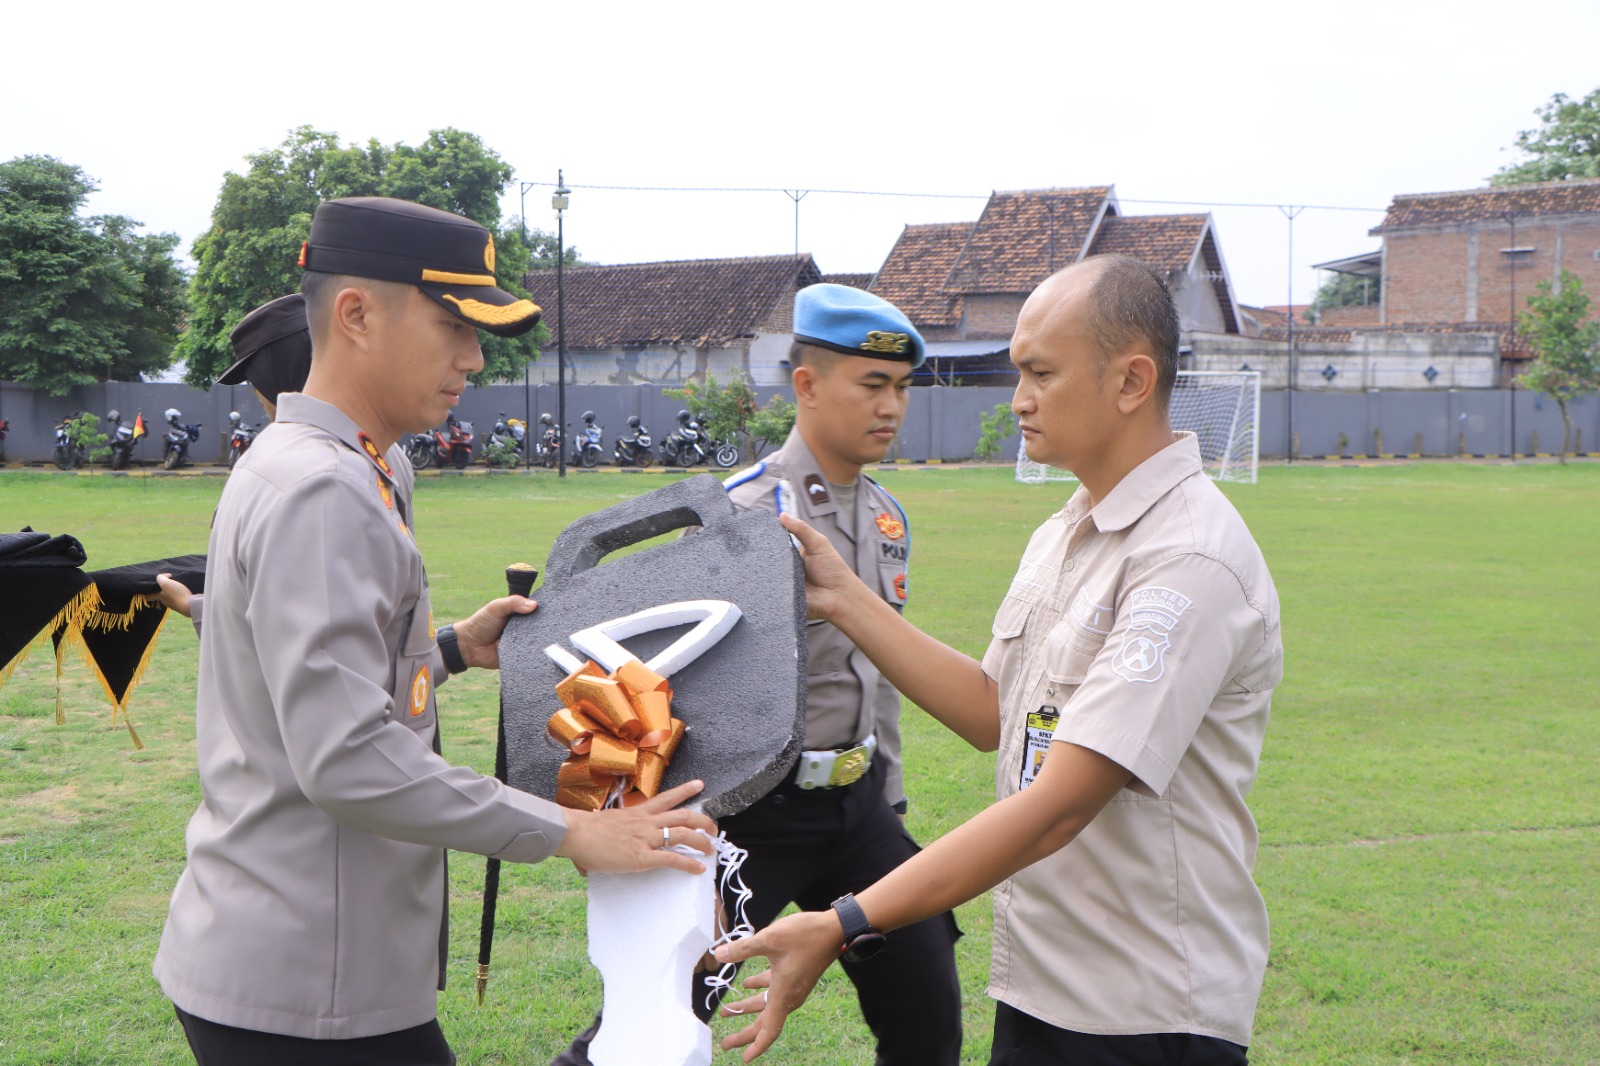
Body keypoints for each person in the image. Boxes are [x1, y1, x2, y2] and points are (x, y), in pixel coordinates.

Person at [152, 196, 716, 1066]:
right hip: (309, 984)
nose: (475, 356)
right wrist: (575, 832)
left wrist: (451, 648)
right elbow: (347, 758)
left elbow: (309, 673)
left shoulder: (349, 464)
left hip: (303, 951)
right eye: (453, 323)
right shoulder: (323, 489)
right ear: (356, 315)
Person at [715, 255, 1284, 1066]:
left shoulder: (1187, 559)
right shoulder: (1068, 529)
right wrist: (843, 596)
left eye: (1040, 373)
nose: (1018, 399)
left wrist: (844, 921)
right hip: (1046, 983)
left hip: (1144, 1008)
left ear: (1130, 382)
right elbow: (993, 711)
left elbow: (1060, 804)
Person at [554, 284, 962, 1066]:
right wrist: (682, 836)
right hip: (752, 819)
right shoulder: (742, 520)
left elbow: (877, 671)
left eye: (902, 389)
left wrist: (892, 796)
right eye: (872, 385)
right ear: (806, 386)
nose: (892, 407)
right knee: (656, 1016)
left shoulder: (886, 517)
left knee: (927, 1015)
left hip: (859, 807)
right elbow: (676, 684)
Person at [153, 293, 315, 622]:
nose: (256, 394)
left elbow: (288, 607)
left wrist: (191, 605)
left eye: (257, 380)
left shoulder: (291, 466)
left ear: (278, 374)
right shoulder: (366, 448)